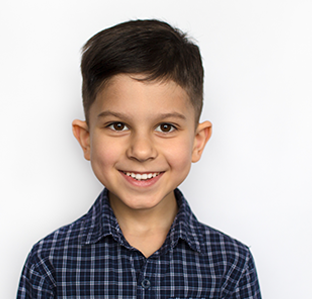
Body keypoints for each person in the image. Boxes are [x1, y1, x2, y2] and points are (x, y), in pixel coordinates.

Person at [17, 19, 261, 299]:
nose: (141, 151)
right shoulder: (49, 262)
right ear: (86, 139)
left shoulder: (232, 265)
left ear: (198, 141)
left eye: (166, 127)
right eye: (118, 126)